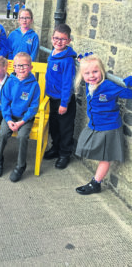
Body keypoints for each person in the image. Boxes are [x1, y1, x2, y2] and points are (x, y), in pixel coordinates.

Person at [74, 54, 132, 195]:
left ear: (102, 71)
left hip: (109, 128)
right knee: (83, 144)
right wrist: (83, 61)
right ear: (82, 75)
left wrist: (129, 82)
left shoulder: (108, 86)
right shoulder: (89, 83)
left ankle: (96, 183)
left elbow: (127, 93)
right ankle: (96, 181)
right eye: (87, 73)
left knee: (106, 158)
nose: (91, 76)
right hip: (95, 126)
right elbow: (86, 64)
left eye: (95, 71)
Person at [0, 52, 40, 182]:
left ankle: (20, 165)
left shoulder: (34, 85)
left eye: (24, 66)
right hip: (10, 117)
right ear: (13, 67)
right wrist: (8, 119)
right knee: (2, 134)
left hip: (25, 119)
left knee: (22, 136)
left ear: (30, 67)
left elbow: (34, 107)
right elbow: (5, 102)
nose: (21, 68)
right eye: (18, 66)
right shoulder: (9, 82)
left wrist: (22, 122)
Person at [44, 23, 76, 169]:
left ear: (68, 41)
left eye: (63, 39)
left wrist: (64, 103)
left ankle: (64, 154)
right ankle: (55, 148)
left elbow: (67, 84)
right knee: (54, 126)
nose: (59, 41)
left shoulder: (67, 59)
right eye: (56, 38)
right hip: (52, 98)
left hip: (64, 101)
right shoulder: (53, 54)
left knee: (65, 128)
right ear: (52, 38)